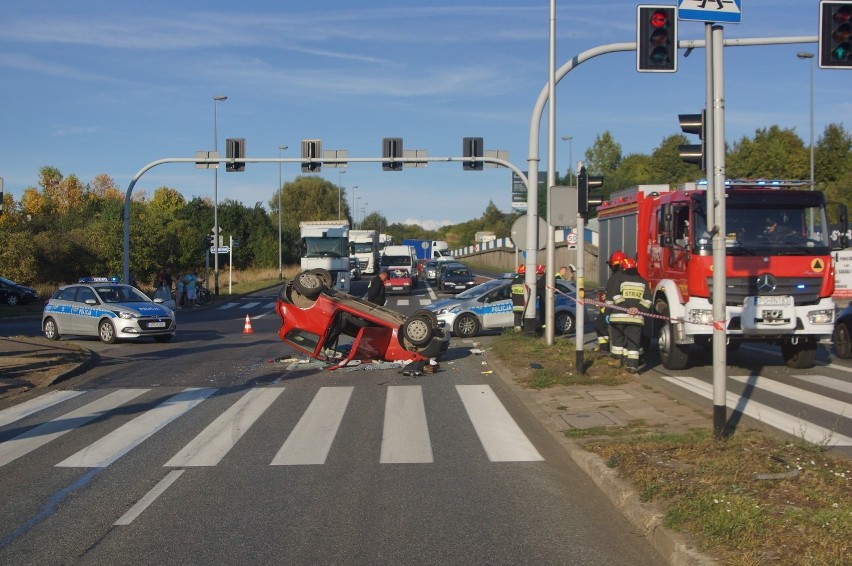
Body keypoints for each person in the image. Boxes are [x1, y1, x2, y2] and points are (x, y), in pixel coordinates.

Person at [605, 256, 651, 374]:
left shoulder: (619, 278)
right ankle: (632, 366)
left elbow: (615, 295)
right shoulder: (643, 281)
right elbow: (648, 300)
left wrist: (623, 308)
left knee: (617, 341)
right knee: (634, 342)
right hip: (636, 318)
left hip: (618, 317)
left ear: (623, 268)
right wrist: (637, 309)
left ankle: (616, 361)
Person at [595, 251, 625, 353]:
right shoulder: (626, 276)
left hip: (612, 308)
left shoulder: (615, 277)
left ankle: (604, 348)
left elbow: (611, 295)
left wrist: (607, 312)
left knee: (599, 325)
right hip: (623, 307)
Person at [511, 265, 527, 330]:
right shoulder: (526, 280)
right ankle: (526, 332)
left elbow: (511, 293)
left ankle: (517, 332)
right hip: (525, 304)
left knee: (517, 318)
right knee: (526, 319)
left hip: (516, 304)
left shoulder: (514, 280)